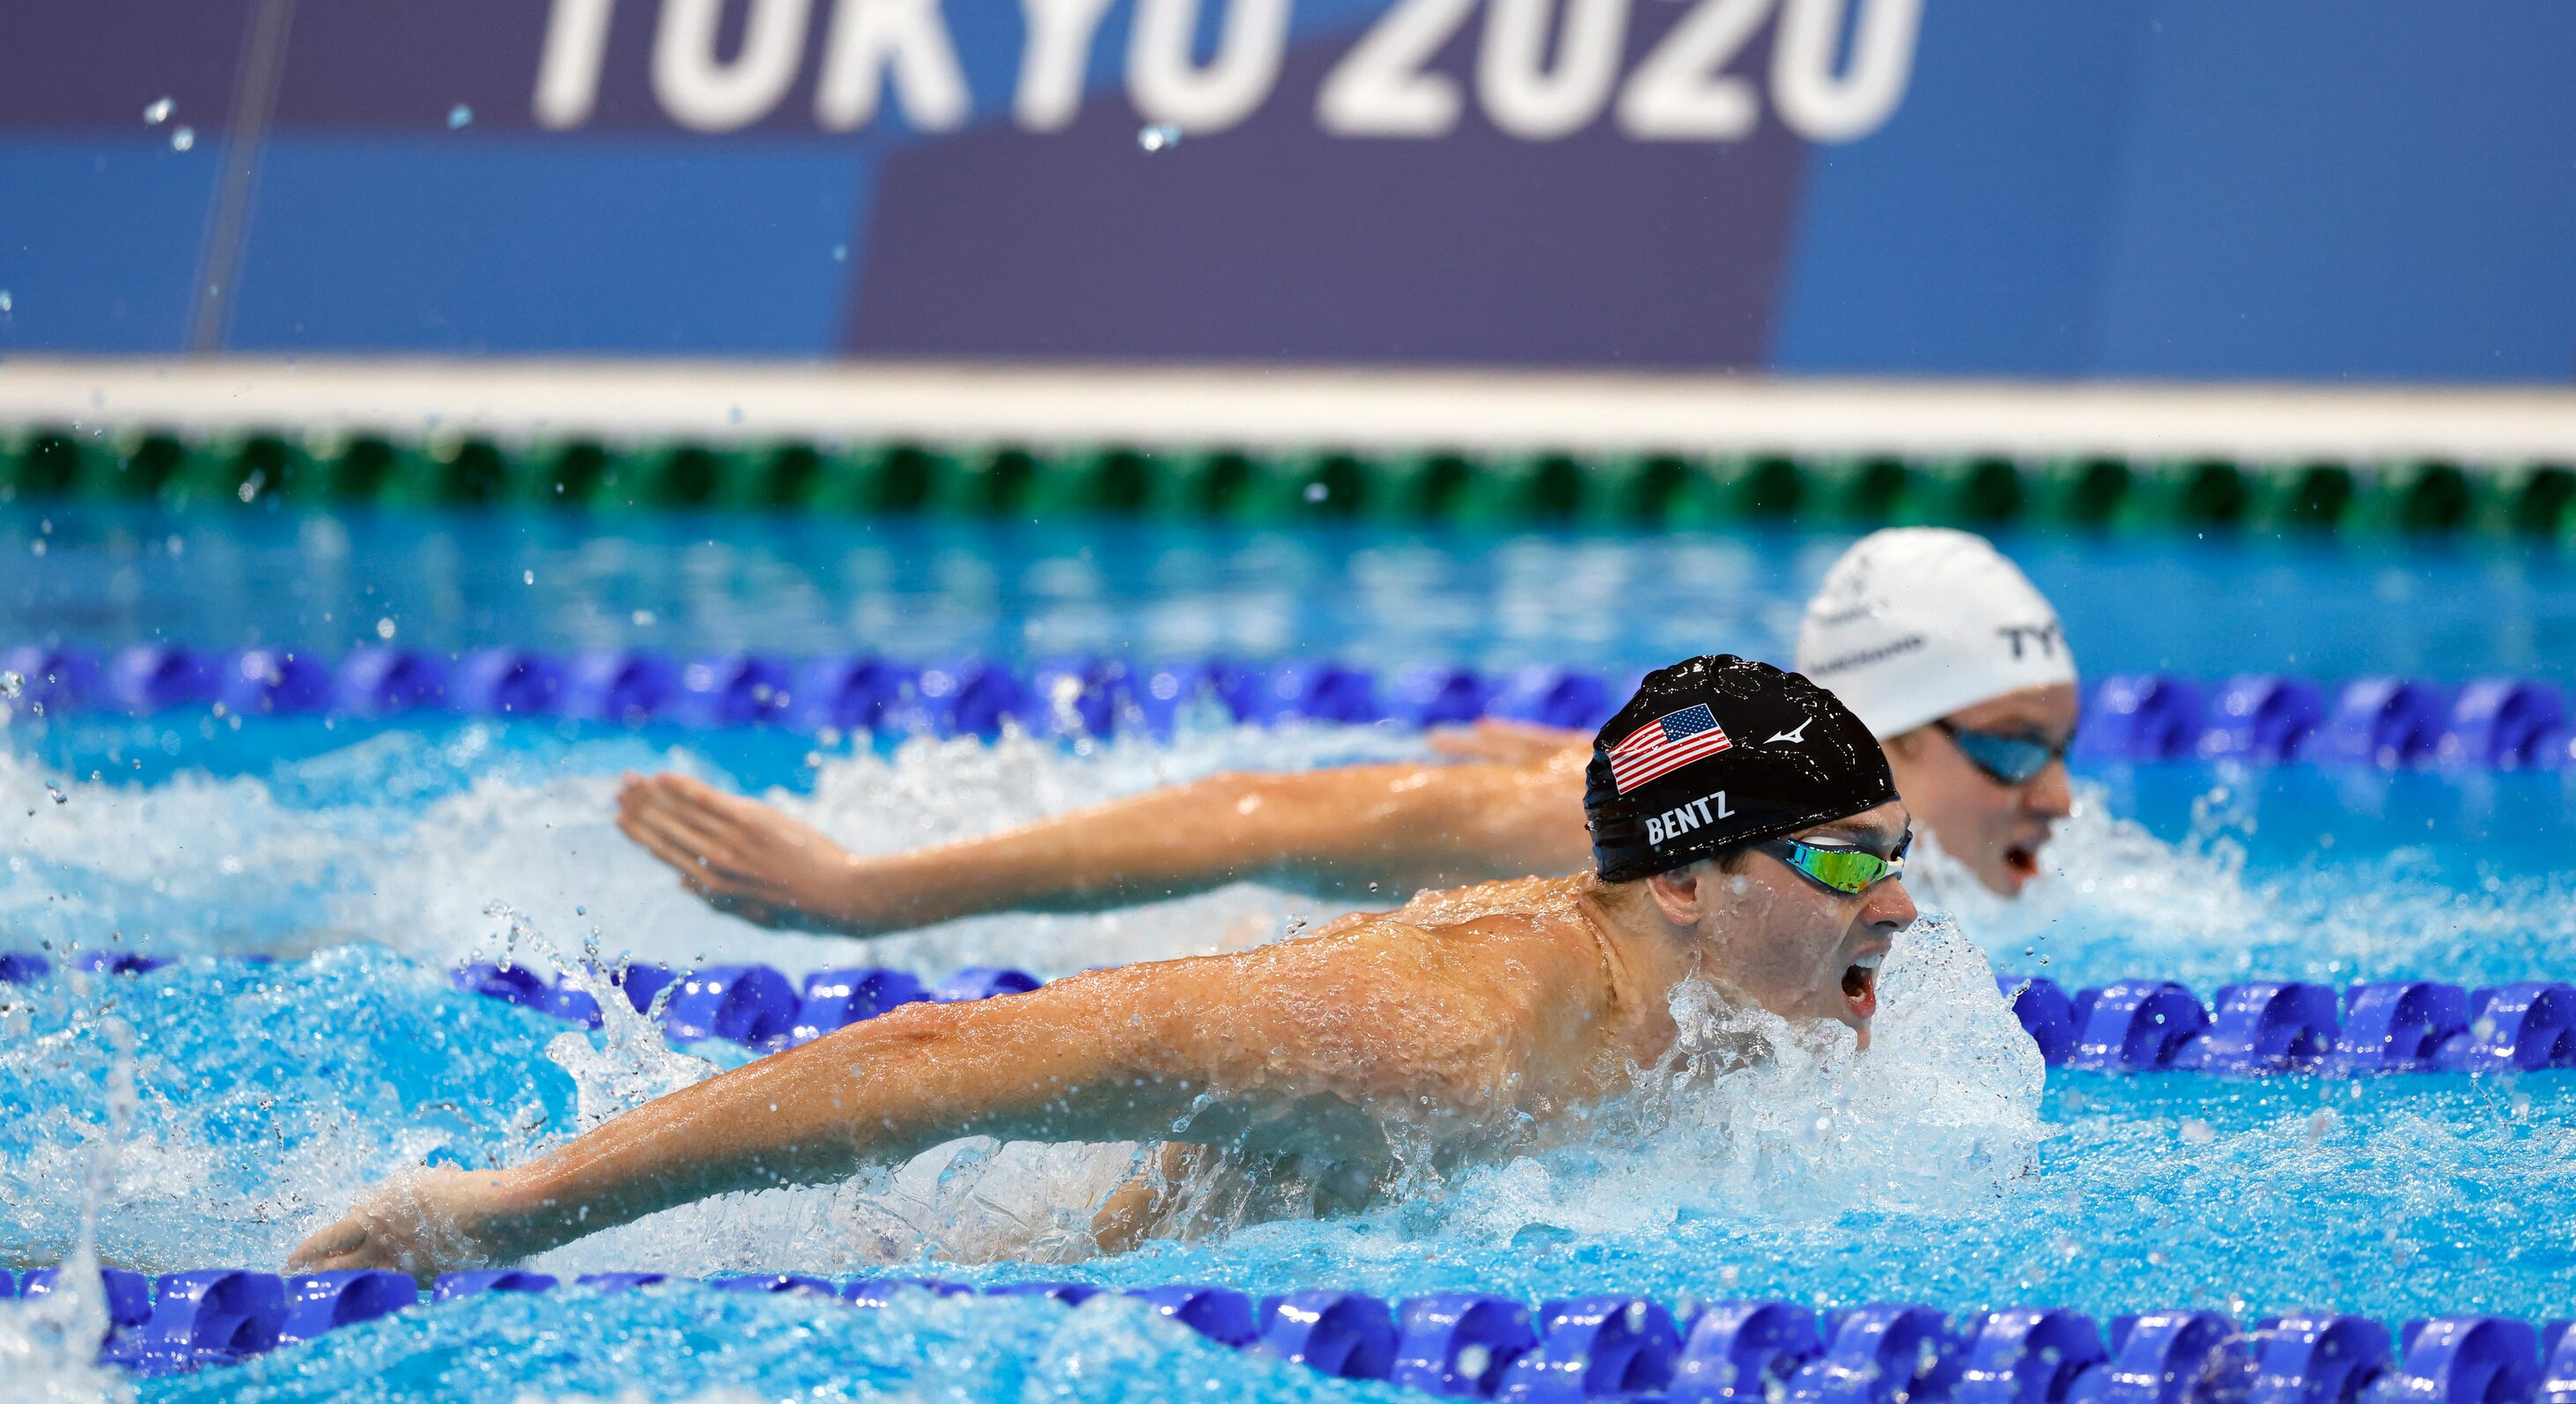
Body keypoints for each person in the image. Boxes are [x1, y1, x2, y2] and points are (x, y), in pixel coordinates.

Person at [290, 657, 1916, 1277]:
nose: (1901, 910)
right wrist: (505, 1212)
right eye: (1850, 861)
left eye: (1897, 856)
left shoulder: (1767, 1007)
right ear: (1692, 881)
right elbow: (940, 1067)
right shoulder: (1423, 1036)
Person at [612, 528, 2074, 930]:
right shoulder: (1597, 837)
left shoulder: (1932, 880)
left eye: (2064, 745)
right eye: (2014, 746)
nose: (2059, 795)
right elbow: (1260, 815)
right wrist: (867, 894)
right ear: (1883, 731)